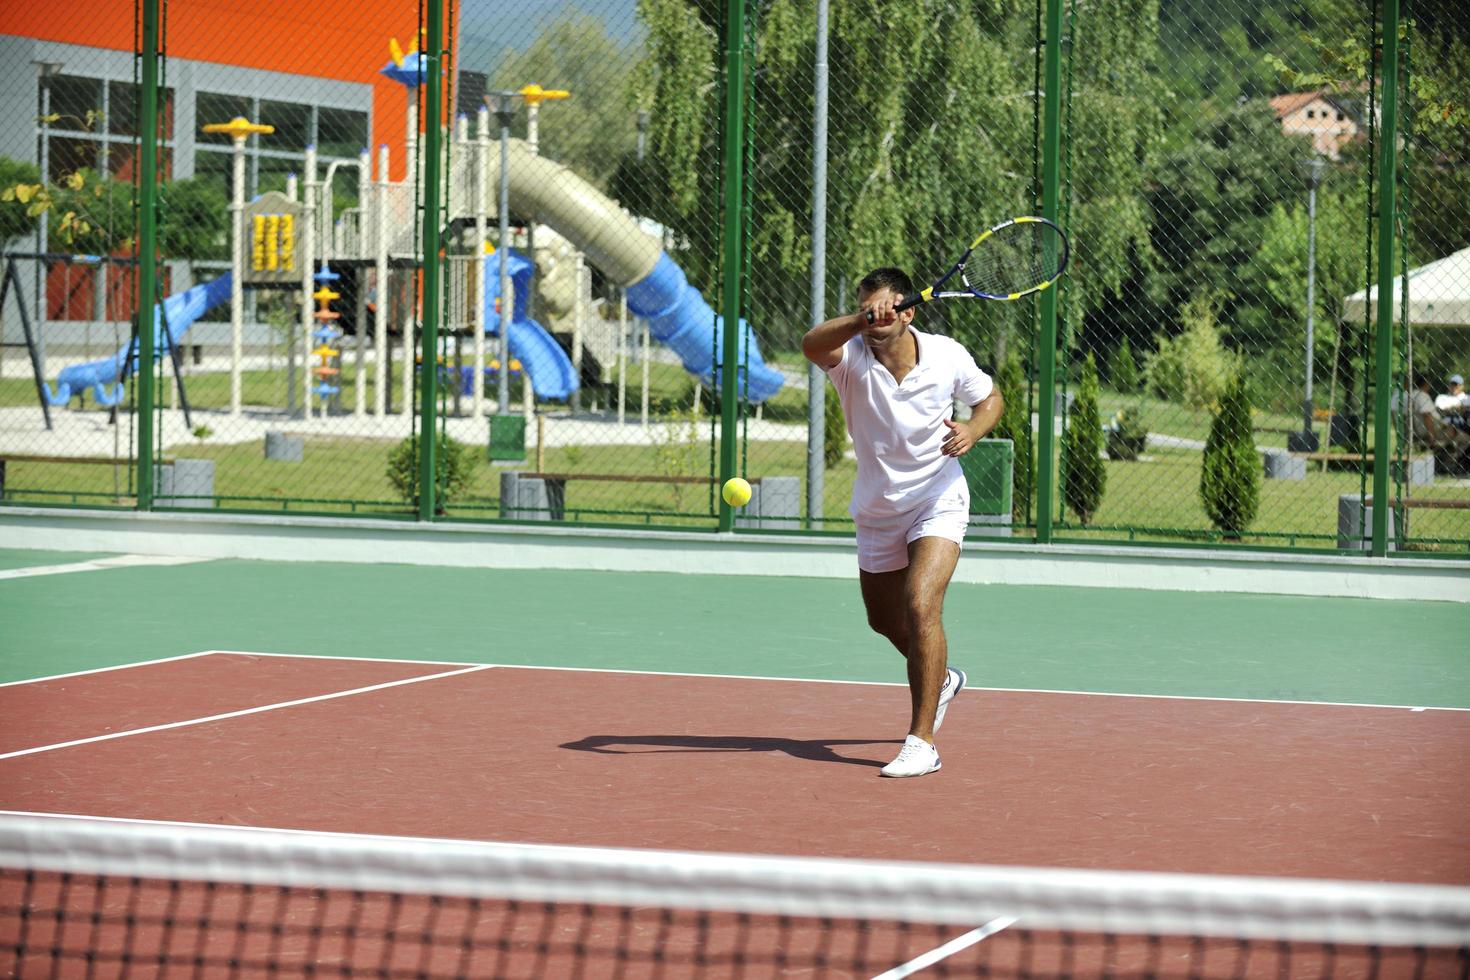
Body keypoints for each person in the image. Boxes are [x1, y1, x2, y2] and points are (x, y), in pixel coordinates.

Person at [801, 268, 1003, 778]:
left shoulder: (946, 354)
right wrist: (860, 320)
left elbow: (991, 399)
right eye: (867, 311)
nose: (875, 322)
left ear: (908, 311)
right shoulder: (850, 357)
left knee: (920, 604)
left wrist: (973, 431)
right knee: (884, 621)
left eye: (884, 311)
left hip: (938, 497)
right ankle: (944, 680)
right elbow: (810, 344)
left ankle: (922, 741)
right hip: (877, 508)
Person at [1410, 371, 1470, 469]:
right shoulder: (1441, 397)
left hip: (1460, 425)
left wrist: (1454, 408)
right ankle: (1454, 461)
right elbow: (1436, 411)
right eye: (1452, 385)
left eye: (1457, 385)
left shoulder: (1467, 398)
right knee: (1459, 434)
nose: (1454, 387)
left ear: (1462, 386)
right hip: (1443, 428)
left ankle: (1456, 460)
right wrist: (1458, 407)